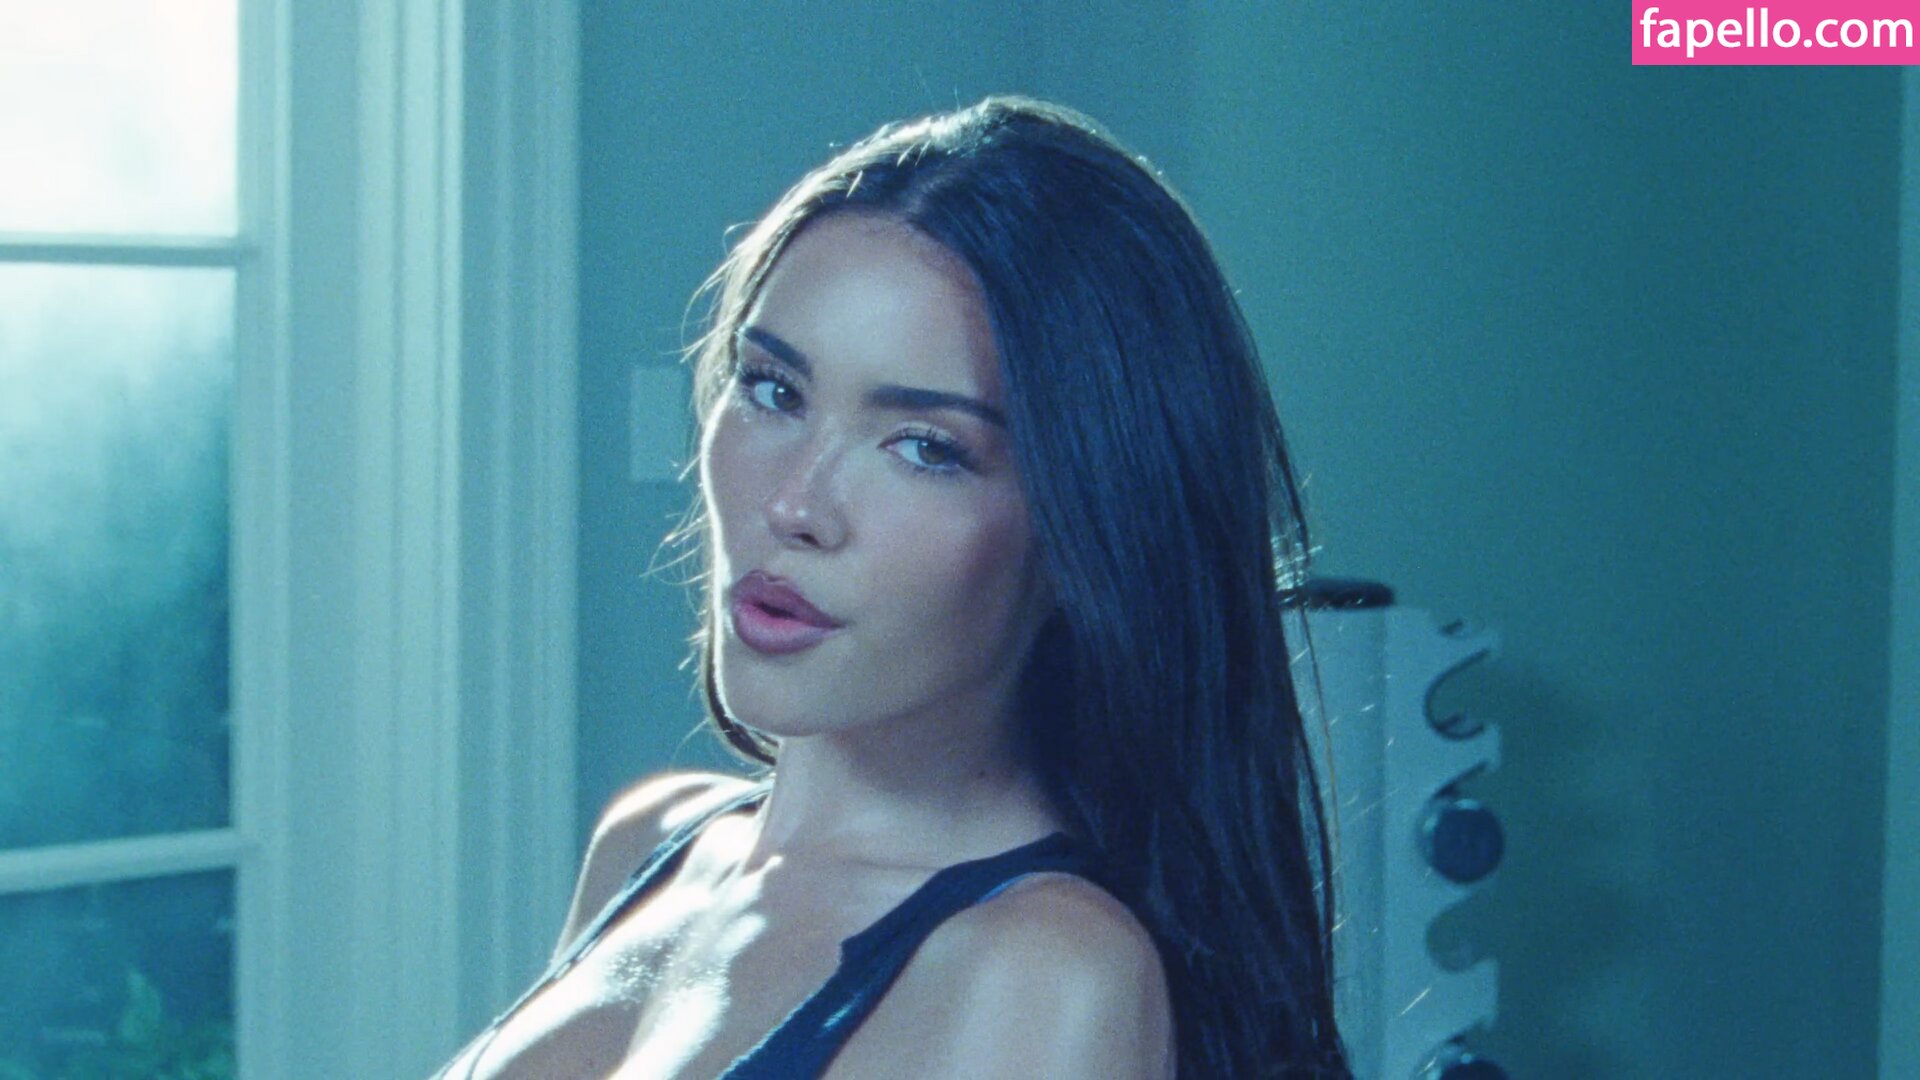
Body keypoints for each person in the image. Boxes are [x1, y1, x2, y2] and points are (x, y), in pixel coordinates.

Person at [435, 94, 1350, 1079]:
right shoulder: (652, 846)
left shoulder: (1041, 975)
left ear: (1083, 532)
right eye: (774, 390)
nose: (795, 504)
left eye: (925, 449)